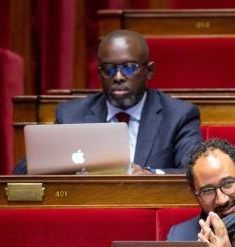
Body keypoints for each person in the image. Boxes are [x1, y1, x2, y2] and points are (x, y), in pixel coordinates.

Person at [13, 29, 203, 175]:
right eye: (109, 69)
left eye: (129, 68)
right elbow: (22, 170)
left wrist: (150, 174)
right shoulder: (72, 114)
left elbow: (197, 172)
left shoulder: (178, 115)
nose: (118, 77)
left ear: (149, 71)